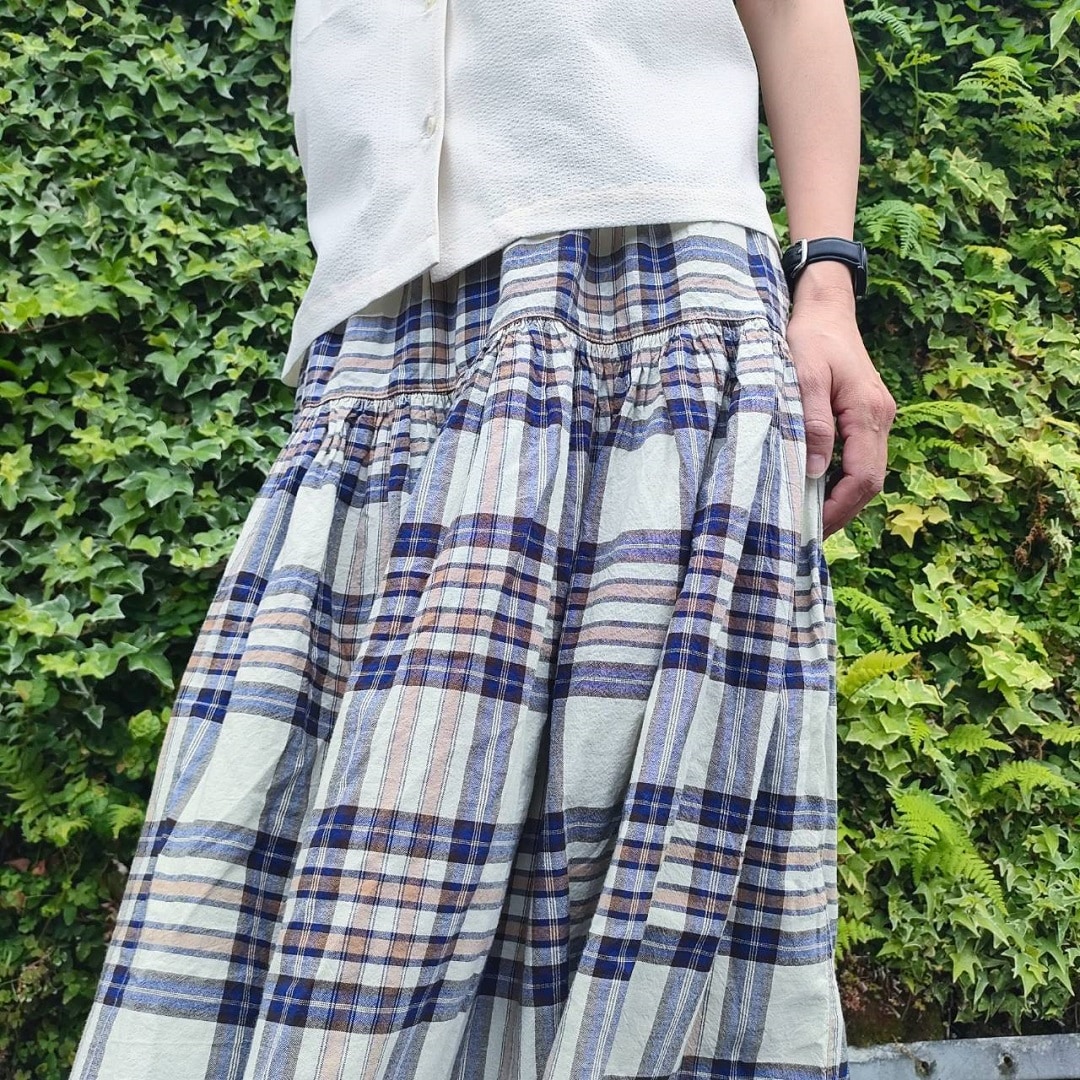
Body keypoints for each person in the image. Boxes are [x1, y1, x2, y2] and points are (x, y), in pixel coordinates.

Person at [70, 1, 895, 1077]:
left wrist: (825, 284)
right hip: (377, 333)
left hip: (647, 290)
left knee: (635, 859)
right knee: (328, 855)